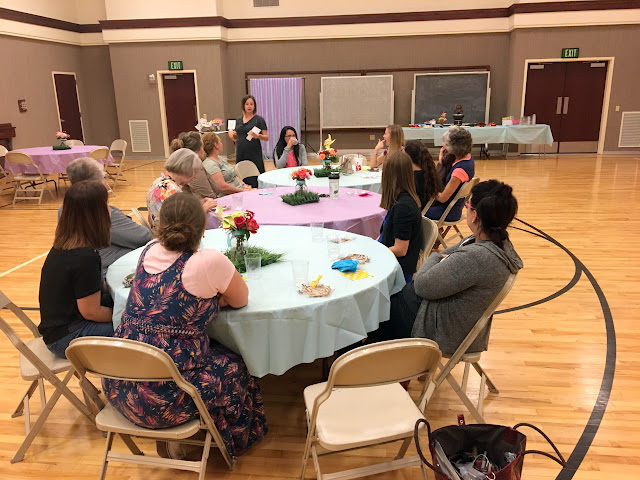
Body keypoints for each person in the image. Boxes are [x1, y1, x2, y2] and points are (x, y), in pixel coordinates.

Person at [102, 192, 268, 458]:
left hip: (119, 384)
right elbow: (241, 300)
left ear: (160, 223)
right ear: (203, 227)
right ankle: (233, 442)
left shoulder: (148, 250)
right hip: (166, 401)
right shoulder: (207, 260)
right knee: (236, 366)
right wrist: (215, 300)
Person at [379, 180, 523, 355]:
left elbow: (422, 284)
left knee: (377, 313)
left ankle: (371, 359)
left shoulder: (477, 257)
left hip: (440, 327)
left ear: (475, 215)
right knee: (384, 303)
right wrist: (442, 259)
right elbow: (445, 260)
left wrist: (435, 256)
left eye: (467, 206)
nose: (465, 209)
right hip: (438, 310)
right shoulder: (488, 241)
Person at [39, 180, 114, 358]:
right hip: (67, 338)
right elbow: (92, 312)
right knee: (139, 330)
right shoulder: (84, 257)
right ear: (97, 213)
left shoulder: (66, 245)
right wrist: (126, 315)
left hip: (62, 328)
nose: (110, 209)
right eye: (107, 204)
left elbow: (90, 288)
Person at [60, 157, 151, 275]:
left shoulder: (64, 209)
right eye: (104, 178)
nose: (106, 184)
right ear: (98, 184)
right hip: (107, 272)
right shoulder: (101, 212)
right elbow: (143, 237)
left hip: (82, 270)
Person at [146, 148, 217, 232]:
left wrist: (198, 205)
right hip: (169, 235)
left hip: (160, 232)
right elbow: (185, 223)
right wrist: (203, 209)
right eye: (195, 171)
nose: (195, 176)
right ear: (187, 169)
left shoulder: (159, 181)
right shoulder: (172, 191)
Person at [378, 151, 423, 283]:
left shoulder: (404, 207)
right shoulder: (400, 199)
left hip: (397, 271)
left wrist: (374, 252)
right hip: (390, 261)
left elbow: (400, 249)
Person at [426, 127, 475, 222]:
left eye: (446, 144)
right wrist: (441, 158)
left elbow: (442, 198)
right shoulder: (467, 157)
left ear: (455, 148)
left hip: (447, 212)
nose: (443, 145)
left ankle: (432, 230)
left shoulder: (459, 171)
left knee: (412, 210)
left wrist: (428, 191)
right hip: (451, 207)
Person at [228, 95, 268, 187]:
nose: (249, 106)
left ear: (254, 106)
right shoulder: (238, 120)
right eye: (247, 104)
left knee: (256, 174)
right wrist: (232, 135)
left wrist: (258, 136)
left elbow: (266, 137)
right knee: (241, 174)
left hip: (254, 151)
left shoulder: (259, 120)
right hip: (241, 151)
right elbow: (236, 138)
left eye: (251, 104)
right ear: (243, 105)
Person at [170, 131, 222, 201]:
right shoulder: (194, 170)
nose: (204, 150)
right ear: (196, 153)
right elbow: (209, 196)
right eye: (202, 147)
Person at [404, 140, 443, 210]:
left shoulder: (414, 178)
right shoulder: (428, 170)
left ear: (408, 157)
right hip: (423, 207)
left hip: (417, 210)